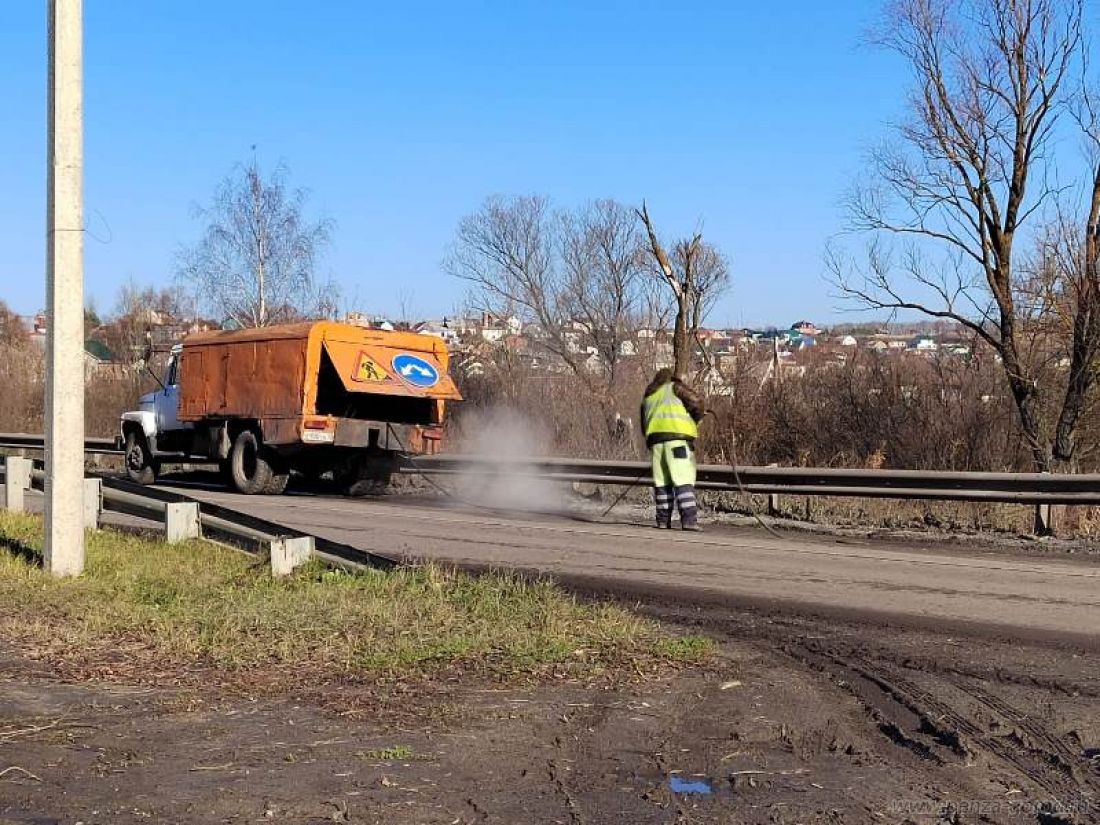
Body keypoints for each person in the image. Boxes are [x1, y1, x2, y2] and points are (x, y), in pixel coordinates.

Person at [639, 368, 705, 530]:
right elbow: (696, 402)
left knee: (662, 483)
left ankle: (663, 520)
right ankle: (689, 520)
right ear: (670, 378)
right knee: (683, 479)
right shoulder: (675, 387)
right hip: (677, 442)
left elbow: (643, 423)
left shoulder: (648, 396)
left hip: (656, 443)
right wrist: (697, 419)